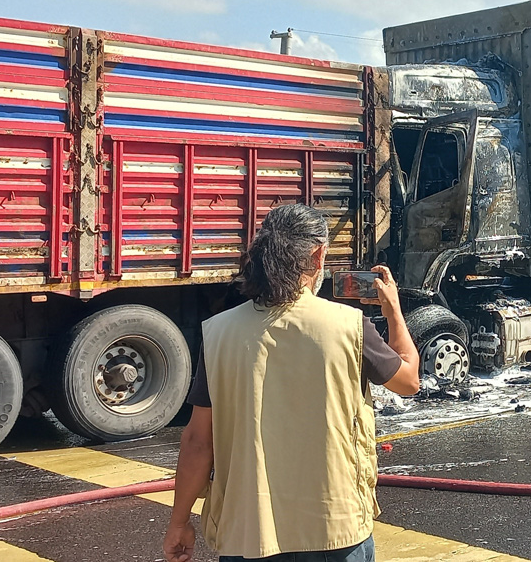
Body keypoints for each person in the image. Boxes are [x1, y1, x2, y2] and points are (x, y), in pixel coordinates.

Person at [163, 204, 421, 562]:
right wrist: (393, 312)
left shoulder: (219, 333)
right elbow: (409, 381)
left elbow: (197, 441)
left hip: (248, 531)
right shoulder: (349, 325)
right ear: (318, 256)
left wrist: (179, 522)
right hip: (335, 528)